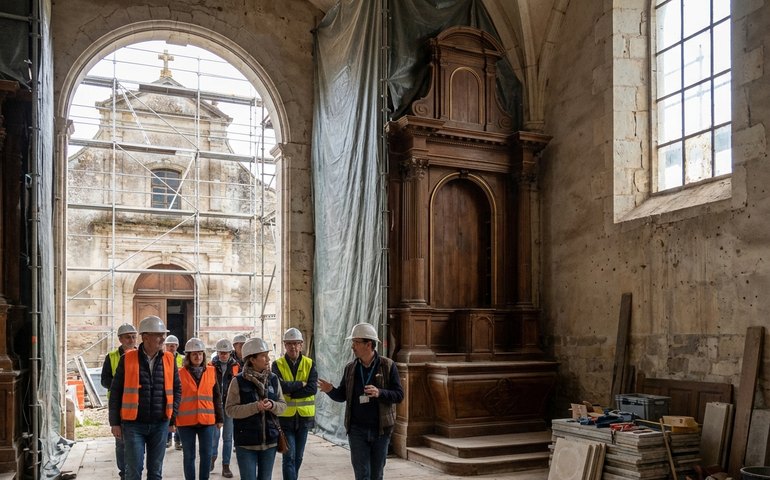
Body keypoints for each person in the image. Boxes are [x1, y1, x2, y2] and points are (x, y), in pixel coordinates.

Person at [318, 323, 404, 480]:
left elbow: (399, 395)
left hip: (381, 431)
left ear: (368, 344)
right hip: (357, 431)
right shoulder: (350, 368)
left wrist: (380, 392)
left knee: (376, 474)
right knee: (361, 474)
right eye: (353, 343)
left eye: (356, 342)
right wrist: (330, 390)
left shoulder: (388, 366)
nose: (352, 346)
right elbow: (342, 395)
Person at [109, 315, 182, 480]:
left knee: (155, 473)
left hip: (160, 424)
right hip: (133, 425)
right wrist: (114, 422)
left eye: (163, 334)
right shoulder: (127, 359)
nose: (163, 338)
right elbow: (116, 392)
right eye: (159, 334)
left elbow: (177, 389)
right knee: (133, 472)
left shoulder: (170, 359)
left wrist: (172, 418)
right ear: (146, 337)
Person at [225, 337, 287, 480]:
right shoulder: (238, 381)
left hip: (270, 442)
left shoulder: (273, 379)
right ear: (252, 359)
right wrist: (255, 407)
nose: (268, 359)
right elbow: (230, 409)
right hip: (246, 443)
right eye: (263, 356)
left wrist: (272, 405)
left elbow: (282, 406)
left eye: (267, 355)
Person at [271, 327, 317, 480]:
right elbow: (280, 387)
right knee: (289, 457)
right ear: (284, 345)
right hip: (285, 418)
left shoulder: (310, 363)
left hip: (304, 418)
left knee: (299, 457)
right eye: (289, 343)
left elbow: (312, 389)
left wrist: (291, 390)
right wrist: (300, 384)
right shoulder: (277, 365)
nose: (293, 347)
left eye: (296, 343)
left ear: (301, 345)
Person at [177, 337, 223, 480]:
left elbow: (217, 396)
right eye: (194, 354)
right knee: (189, 456)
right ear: (188, 356)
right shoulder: (179, 373)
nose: (198, 356)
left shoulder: (211, 371)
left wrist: (219, 418)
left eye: (200, 353)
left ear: (203, 355)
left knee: (206, 455)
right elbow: (175, 398)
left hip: (207, 421)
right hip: (186, 422)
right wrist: (172, 420)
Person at [100, 323, 138, 479]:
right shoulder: (112, 357)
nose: (131, 340)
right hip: (119, 403)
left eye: (134, 336)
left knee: (136, 441)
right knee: (120, 440)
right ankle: (124, 472)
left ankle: (134, 470)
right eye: (128, 337)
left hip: (137, 403)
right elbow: (104, 380)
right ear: (120, 339)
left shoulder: (141, 355)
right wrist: (119, 387)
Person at [210, 338, 240, 478]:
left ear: (230, 353)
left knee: (228, 438)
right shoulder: (210, 366)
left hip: (229, 406)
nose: (223, 355)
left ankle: (226, 466)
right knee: (214, 436)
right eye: (221, 353)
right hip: (214, 406)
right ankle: (213, 457)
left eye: (225, 353)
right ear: (217, 352)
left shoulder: (236, 366)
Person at [165, 335, 184, 449]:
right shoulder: (162, 358)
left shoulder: (182, 358)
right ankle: (167, 439)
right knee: (167, 414)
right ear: (165, 346)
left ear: (177, 346)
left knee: (178, 416)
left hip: (178, 390)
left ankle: (178, 440)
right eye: (169, 345)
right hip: (166, 391)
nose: (171, 347)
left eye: (173, 345)